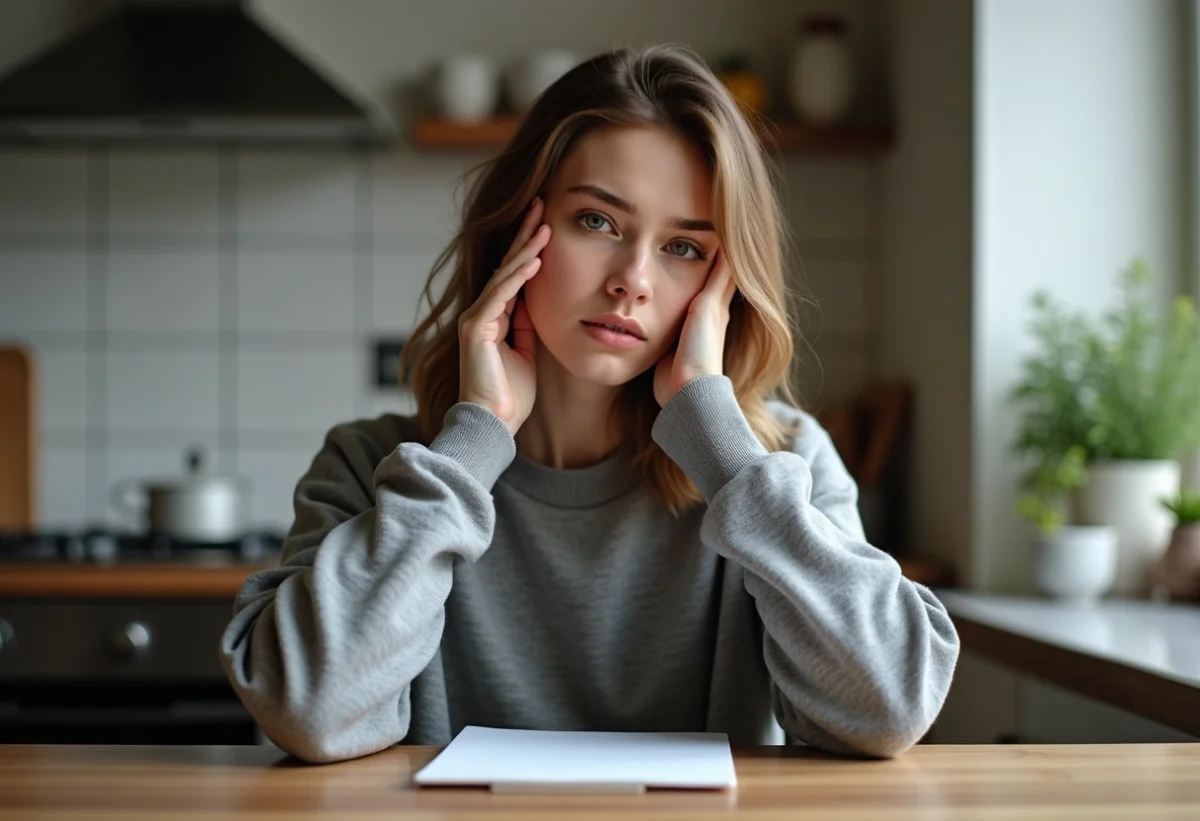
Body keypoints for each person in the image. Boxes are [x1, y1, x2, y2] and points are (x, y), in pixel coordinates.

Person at [219, 44, 960, 765]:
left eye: (684, 248)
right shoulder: (371, 465)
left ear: (723, 287)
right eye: (597, 222)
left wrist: (721, 449)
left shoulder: (777, 462)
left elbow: (888, 708)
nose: (633, 280)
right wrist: (474, 441)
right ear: (517, 229)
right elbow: (307, 711)